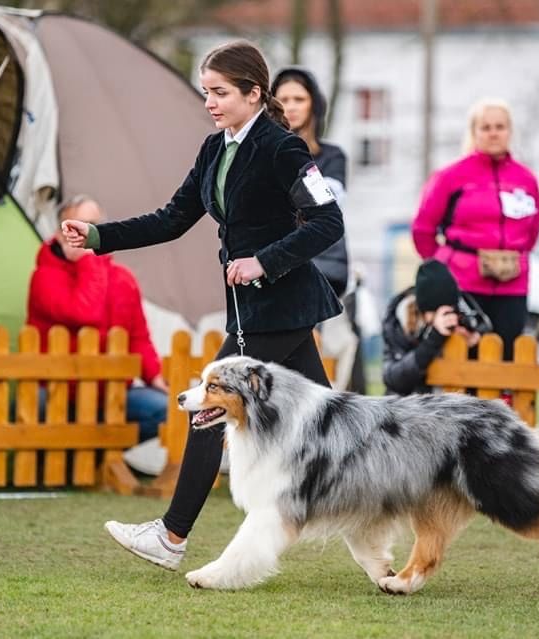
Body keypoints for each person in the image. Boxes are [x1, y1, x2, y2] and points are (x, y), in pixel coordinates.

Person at [61, 40, 344, 571]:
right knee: (330, 422)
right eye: (205, 92)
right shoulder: (214, 148)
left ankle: (170, 537)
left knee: (210, 404)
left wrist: (264, 261)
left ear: (253, 93)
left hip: (279, 304)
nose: (209, 102)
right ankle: (378, 511)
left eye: (219, 92)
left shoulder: (284, 148)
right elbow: (171, 218)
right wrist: (98, 235)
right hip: (248, 309)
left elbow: (329, 223)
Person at [26, 196, 169, 474]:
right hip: (60, 397)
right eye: (74, 225)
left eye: (92, 225)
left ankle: (92, 461)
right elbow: (85, 313)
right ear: (58, 233)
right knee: (31, 403)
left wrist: (155, 377)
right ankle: (65, 465)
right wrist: (88, 261)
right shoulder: (45, 276)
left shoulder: (123, 279)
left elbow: (138, 336)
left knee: (163, 407)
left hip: (111, 396)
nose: (83, 232)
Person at [412, 98, 539, 361]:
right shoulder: (450, 176)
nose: (494, 132)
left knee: (506, 359)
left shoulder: (526, 179)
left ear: (509, 131)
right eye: (486, 127)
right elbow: (423, 229)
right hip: (464, 282)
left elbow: (533, 230)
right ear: (474, 132)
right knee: (464, 360)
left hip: (512, 286)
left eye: (500, 126)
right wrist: (441, 270)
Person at [272, 67, 362, 391]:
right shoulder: (262, 152)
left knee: (313, 365)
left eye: (299, 98)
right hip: (275, 268)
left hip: (322, 269)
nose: (291, 106)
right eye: (283, 99)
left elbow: (326, 204)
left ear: (314, 105)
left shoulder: (332, 156)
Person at [382, 260, 480, 396]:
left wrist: (473, 345)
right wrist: (434, 338)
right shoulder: (399, 321)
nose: (444, 316)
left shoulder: (466, 310)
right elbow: (394, 380)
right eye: (436, 312)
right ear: (423, 309)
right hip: (410, 409)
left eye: (448, 310)